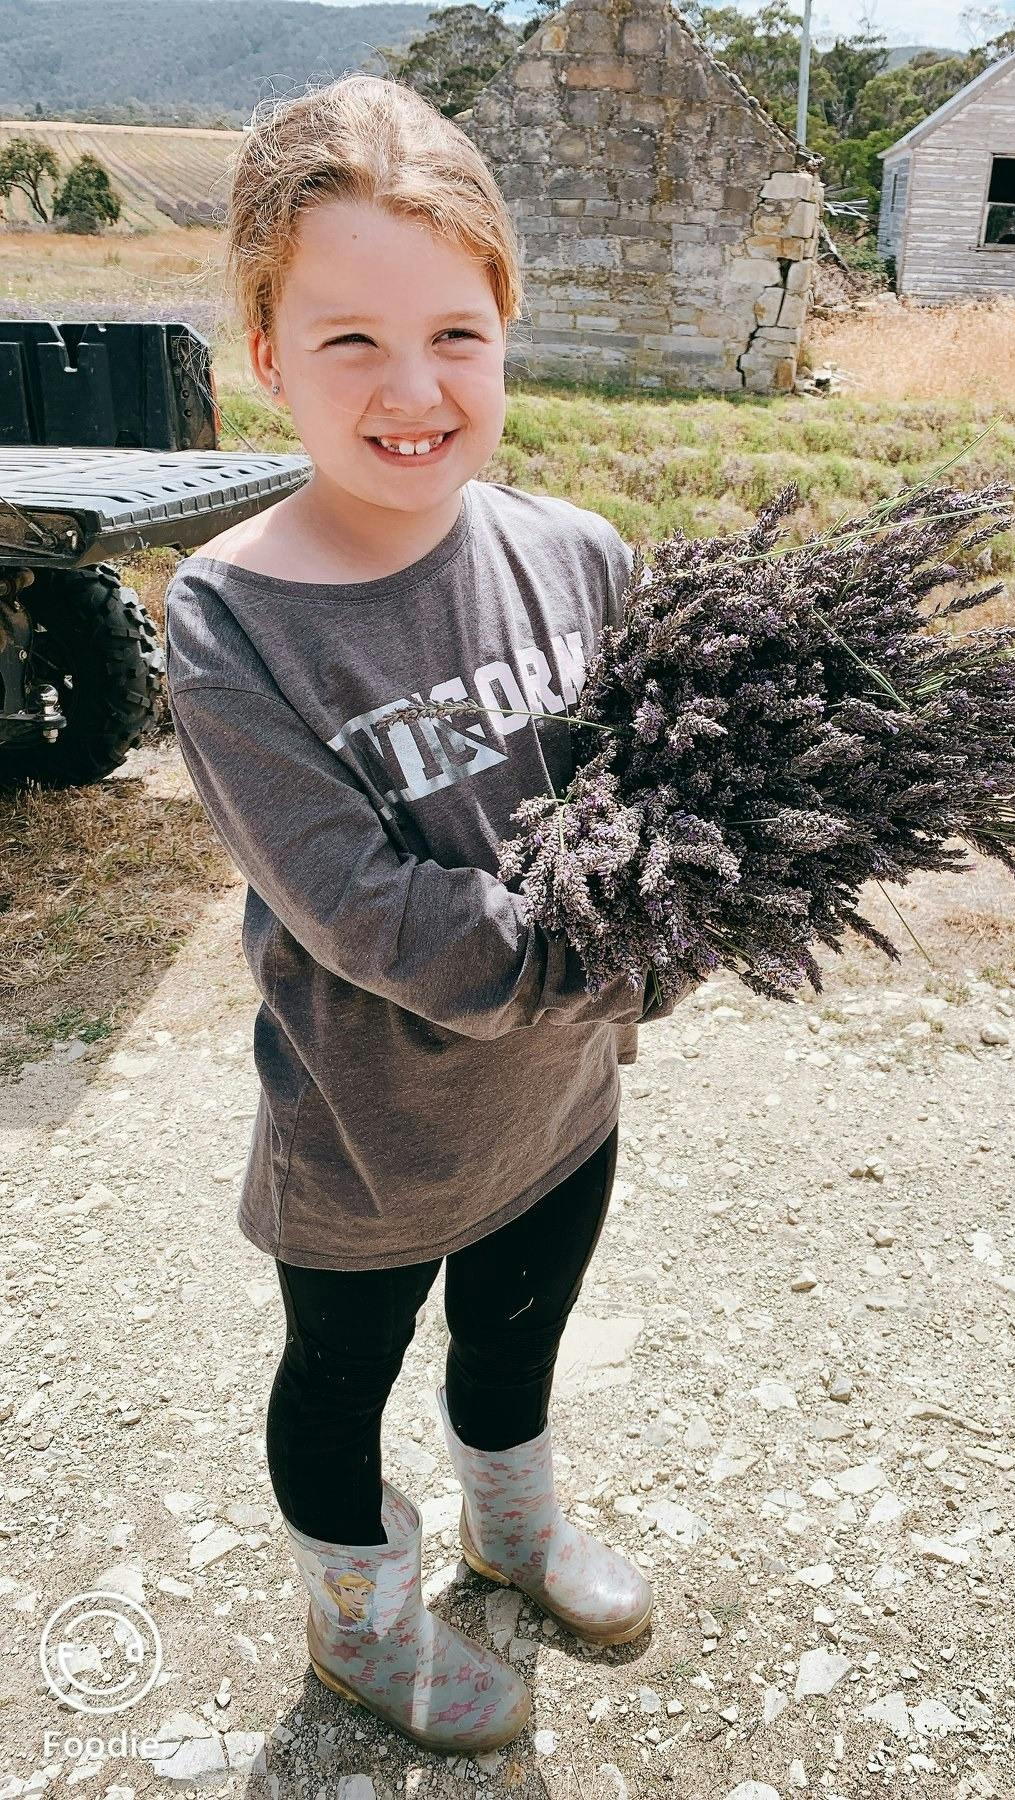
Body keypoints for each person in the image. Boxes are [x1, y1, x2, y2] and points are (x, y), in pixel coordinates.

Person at [164, 74, 689, 1756]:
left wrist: (690, 912)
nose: (414, 389)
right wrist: (622, 936)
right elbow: (367, 911)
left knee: (517, 1337)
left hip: (561, 1104)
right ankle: (357, 1626)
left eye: (457, 333)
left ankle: (509, 1531)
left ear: (507, 330)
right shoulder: (232, 621)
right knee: (339, 1383)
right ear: (264, 353)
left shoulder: (582, 554)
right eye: (348, 343)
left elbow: (667, 807)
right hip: (369, 1140)